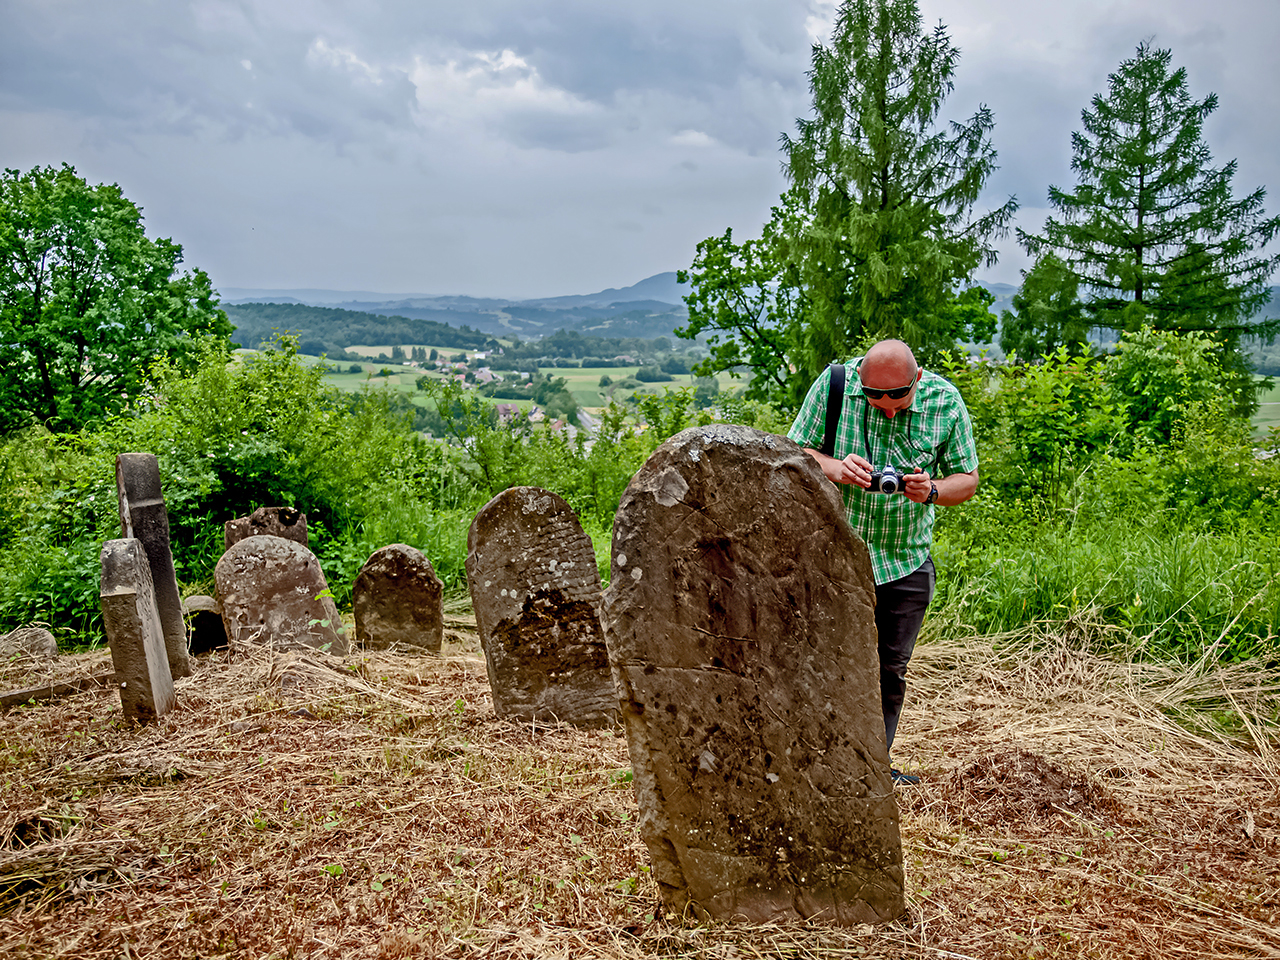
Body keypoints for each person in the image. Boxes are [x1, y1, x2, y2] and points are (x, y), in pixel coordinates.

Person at [787, 339, 978, 785]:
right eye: (876, 397)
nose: (888, 408)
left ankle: (870, 768)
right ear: (860, 382)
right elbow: (792, 453)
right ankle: (811, 762)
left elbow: (966, 481)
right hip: (832, 556)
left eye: (899, 397)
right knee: (821, 661)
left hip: (904, 560)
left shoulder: (944, 401)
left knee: (888, 670)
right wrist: (835, 468)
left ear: (917, 380)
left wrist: (930, 490)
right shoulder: (835, 385)